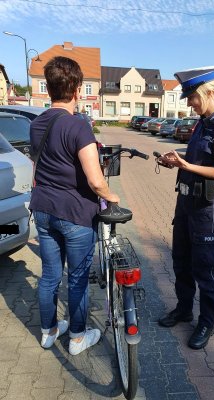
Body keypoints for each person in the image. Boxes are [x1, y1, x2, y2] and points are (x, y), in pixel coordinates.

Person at [30, 56, 119, 355]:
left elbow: (36, 168)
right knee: (78, 278)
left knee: (50, 276)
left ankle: (49, 331)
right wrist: (112, 196)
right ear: (78, 89)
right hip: (75, 214)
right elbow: (95, 181)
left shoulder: (36, 123)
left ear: (50, 87)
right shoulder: (78, 126)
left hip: (43, 210)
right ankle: (78, 338)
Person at [158, 66, 214, 349]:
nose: (189, 104)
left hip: (207, 208)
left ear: (206, 93)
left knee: (204, 267)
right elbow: (197, 164)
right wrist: (176, 161)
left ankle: (207, 321)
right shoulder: (201, 124)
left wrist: (186, 165)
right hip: (185, 203)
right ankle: (184, 309)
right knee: (181, 260)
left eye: (191, 97)